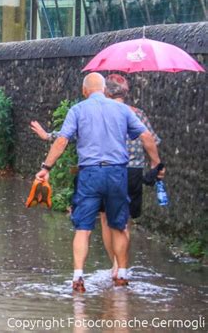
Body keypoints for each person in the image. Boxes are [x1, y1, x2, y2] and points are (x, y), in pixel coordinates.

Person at [34, 73, 164, 293]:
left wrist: (46, 168)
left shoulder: (77, 110)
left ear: (85, 91)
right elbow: (146, 137)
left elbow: (63, 139)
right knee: (119, 225)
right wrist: (156, 164)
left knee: (83, 228)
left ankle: (77, 277)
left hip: (90, 174)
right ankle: (121, 274)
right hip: (117, 173)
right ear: (104, 90)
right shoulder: (124, 110)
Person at [100, 74, 161, 279]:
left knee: (107, 218)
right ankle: (123, 267)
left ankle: (115, 265)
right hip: (133, 171)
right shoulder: (138, 114)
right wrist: (155, 163)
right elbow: (150, 139)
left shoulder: (102, 114)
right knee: (125, 221)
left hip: (108, 169)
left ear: (106, 92)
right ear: (126, 93)